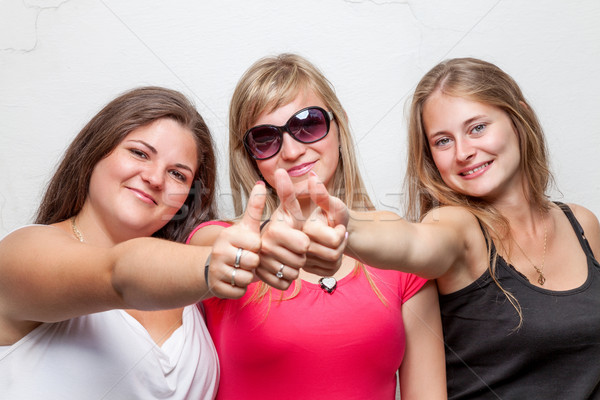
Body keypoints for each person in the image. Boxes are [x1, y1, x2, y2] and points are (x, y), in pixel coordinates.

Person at [335, 58, 600, 399]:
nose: (463, 153)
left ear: (518, 118)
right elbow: (411, 242)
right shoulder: (458, 227)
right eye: (443, 141)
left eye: (477, 128)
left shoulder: (583, 225)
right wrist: (345, 224)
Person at [188, 54, 446, 400]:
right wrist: (263, 242)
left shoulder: (401, 259)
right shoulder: (221, 244)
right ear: (250, 157)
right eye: (265, 139)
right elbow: (204, 249)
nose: (292, 151)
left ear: (339, 127)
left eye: (307, 123)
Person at [0, 86, 267, 399]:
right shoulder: (23, 251)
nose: (155, 178)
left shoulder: (194, 295)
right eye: (140, 153)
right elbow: (117, 275)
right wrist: (211, 267)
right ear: (94, 152)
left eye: (178, 175)